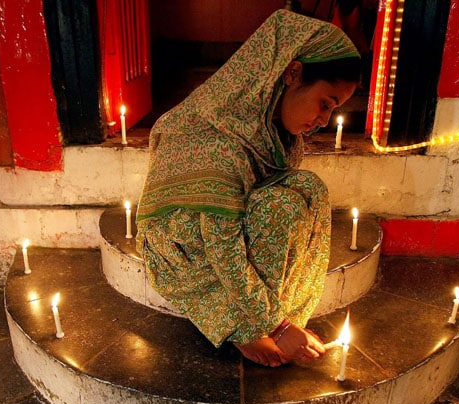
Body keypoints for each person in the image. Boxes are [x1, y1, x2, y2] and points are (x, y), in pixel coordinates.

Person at [136, 9, 360, 367]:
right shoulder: (219, 139)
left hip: (227, 225)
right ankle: (251, 329)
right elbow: (222, 248)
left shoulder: (273, 132)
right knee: (278, 207)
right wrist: (275, 326)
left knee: (309, 189)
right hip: (184, 248)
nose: (323, 121)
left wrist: (287, 323)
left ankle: (282, 317)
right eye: (325, 104)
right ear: (293, 72)